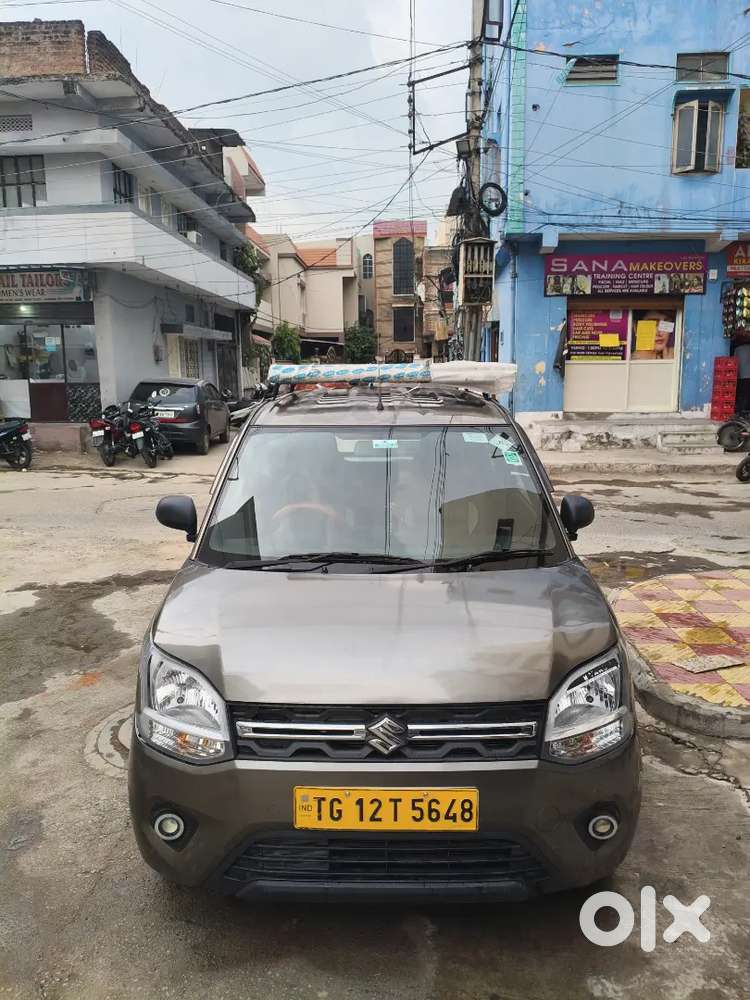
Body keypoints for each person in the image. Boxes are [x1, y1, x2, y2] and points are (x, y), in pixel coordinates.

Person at [735, 341, 750, 413]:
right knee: (746, 394)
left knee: (741, 393)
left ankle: (740, 409)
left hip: (739, 375)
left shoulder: (737, 349)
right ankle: (744, 410)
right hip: (748, 375)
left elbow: (734, 360)